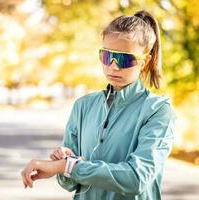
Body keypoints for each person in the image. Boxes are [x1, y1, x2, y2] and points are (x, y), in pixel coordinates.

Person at [21, 10, 177, 200]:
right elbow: (70, 183)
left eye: (124, 59)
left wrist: (67, 166)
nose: (113, 66)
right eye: (106, 56)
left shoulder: (158, 110)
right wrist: (62, 162)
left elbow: (136, 178)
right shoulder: (83, 106)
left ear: (145, 62)